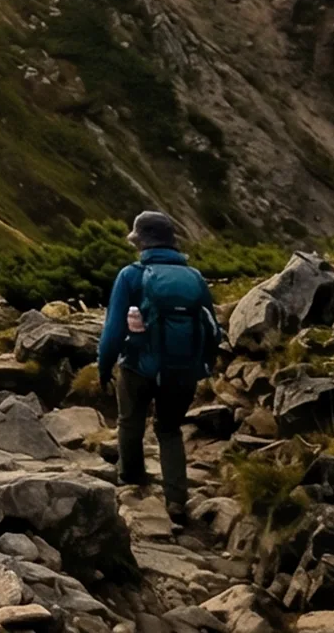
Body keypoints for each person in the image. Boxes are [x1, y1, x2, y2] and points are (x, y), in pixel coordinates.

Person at [97, 211, 220, 524]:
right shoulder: (194, 277)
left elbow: (113, 330)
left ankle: (131, 477)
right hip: (182, 369)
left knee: (130, 421)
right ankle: (176, 499)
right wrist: (204, 365)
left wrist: (104, 366)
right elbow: (212, 328)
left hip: (138, 366)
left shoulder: (130, 275)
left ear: (141, 242)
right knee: (169, 429)